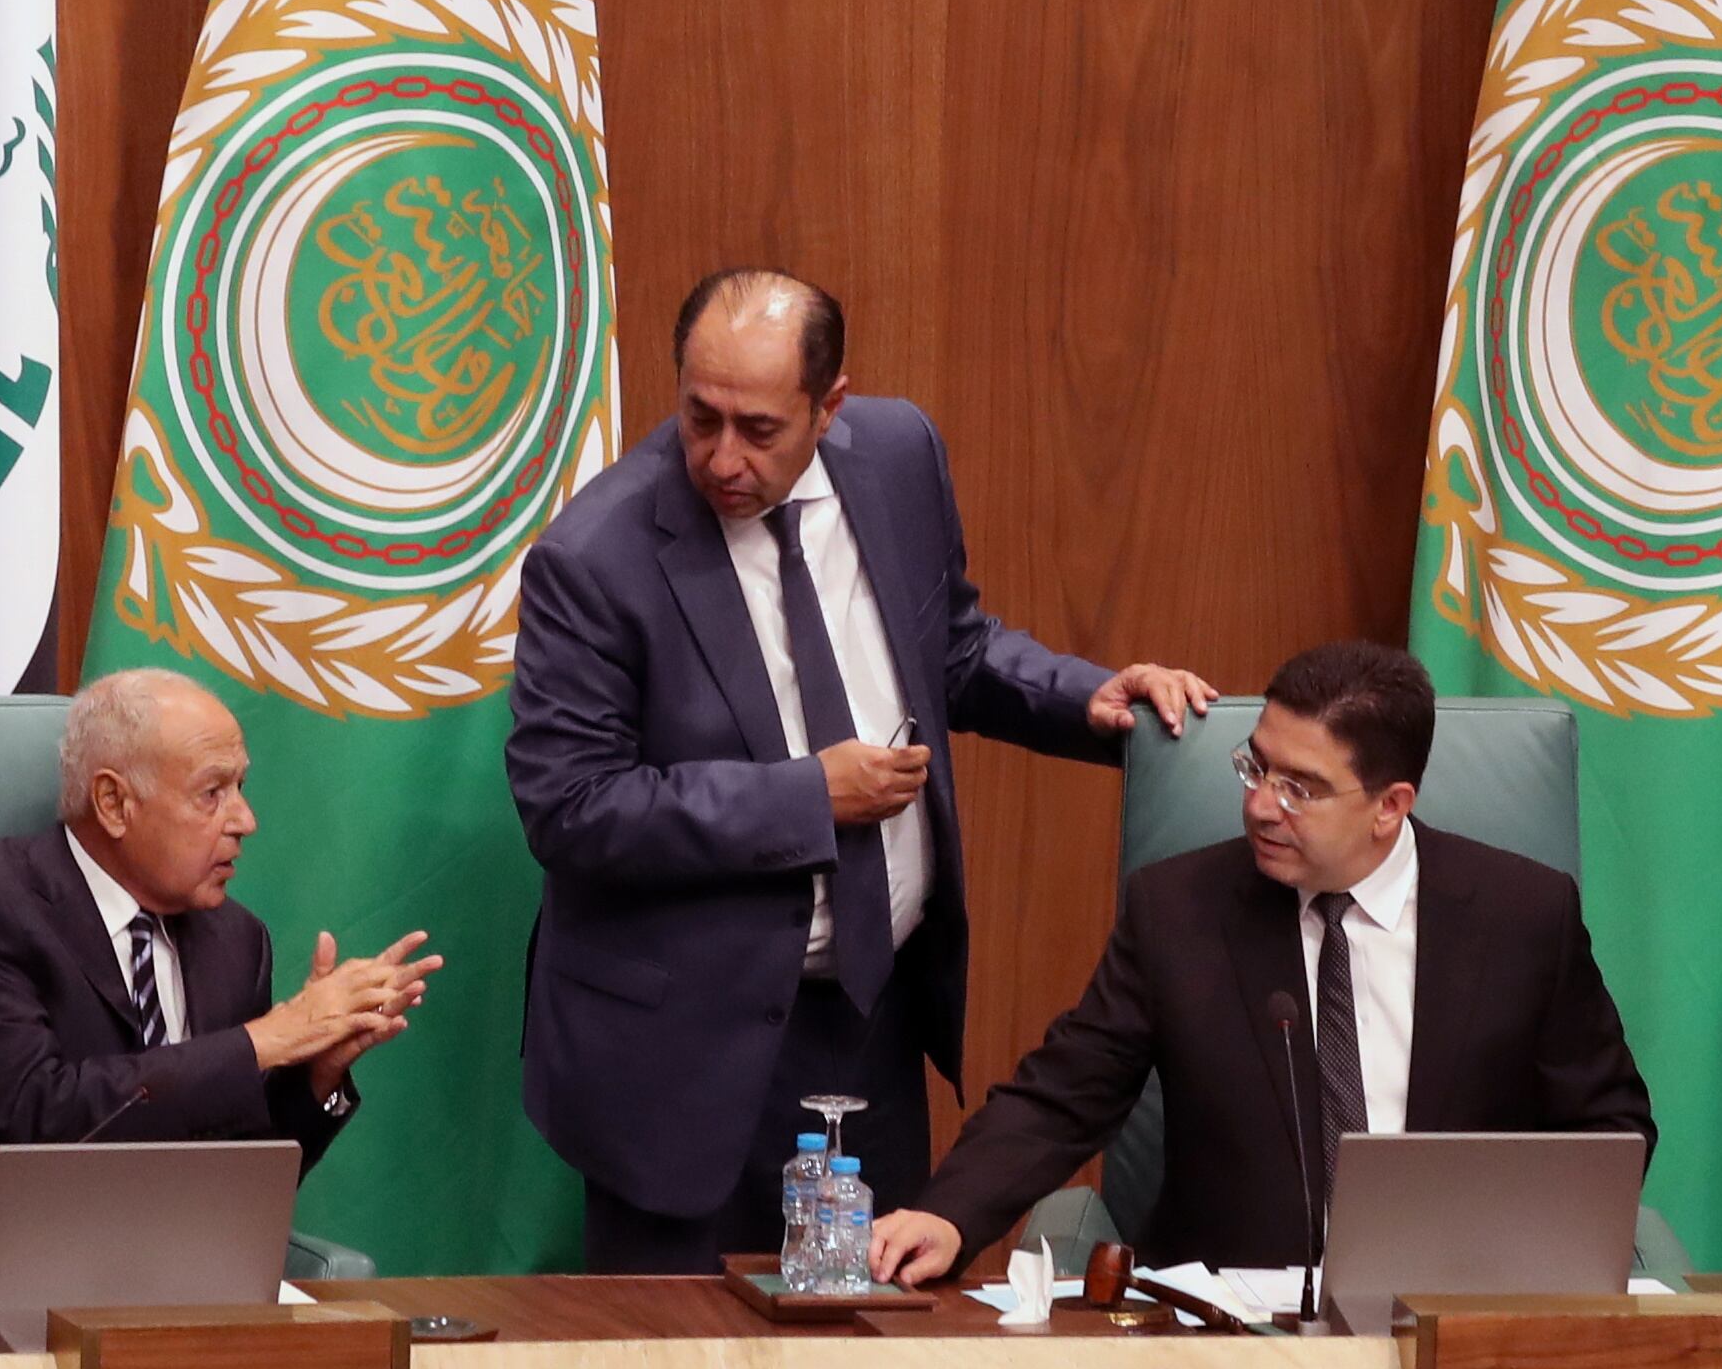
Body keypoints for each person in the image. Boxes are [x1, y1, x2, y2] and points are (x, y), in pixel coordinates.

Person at [507, 267, 1217, 1273]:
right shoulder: (596, 557)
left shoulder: (896, 454)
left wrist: (1084, 696)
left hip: (866, 1025)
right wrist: (808, 795)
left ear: (829, 407)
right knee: (678, 1362)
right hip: (683, 1053)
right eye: (699, 416)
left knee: (869, 1342)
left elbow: (952, 649)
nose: (720, 457)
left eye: (758, 428)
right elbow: (569, 806)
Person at [864, 639, 1654, 1283]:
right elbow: (1064, 1092)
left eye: (1301, 788)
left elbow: (1611, 1129)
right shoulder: (1179, 911)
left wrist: (1509, 1259)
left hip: (1453, 1315)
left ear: (1391, 805)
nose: (1260, 805)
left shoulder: (1523, 914)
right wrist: (950, 1212)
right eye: (1256, 768)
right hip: (1228, 1328)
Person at [0, 669, 442, 1277]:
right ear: (113, 802)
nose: (244, 820)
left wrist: (315, 1073)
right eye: (212, 792)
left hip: (143, 1280)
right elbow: (35, 1115)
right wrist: (266, 1040)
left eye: (241, 788)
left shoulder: (236, 941)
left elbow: (234, 1171)